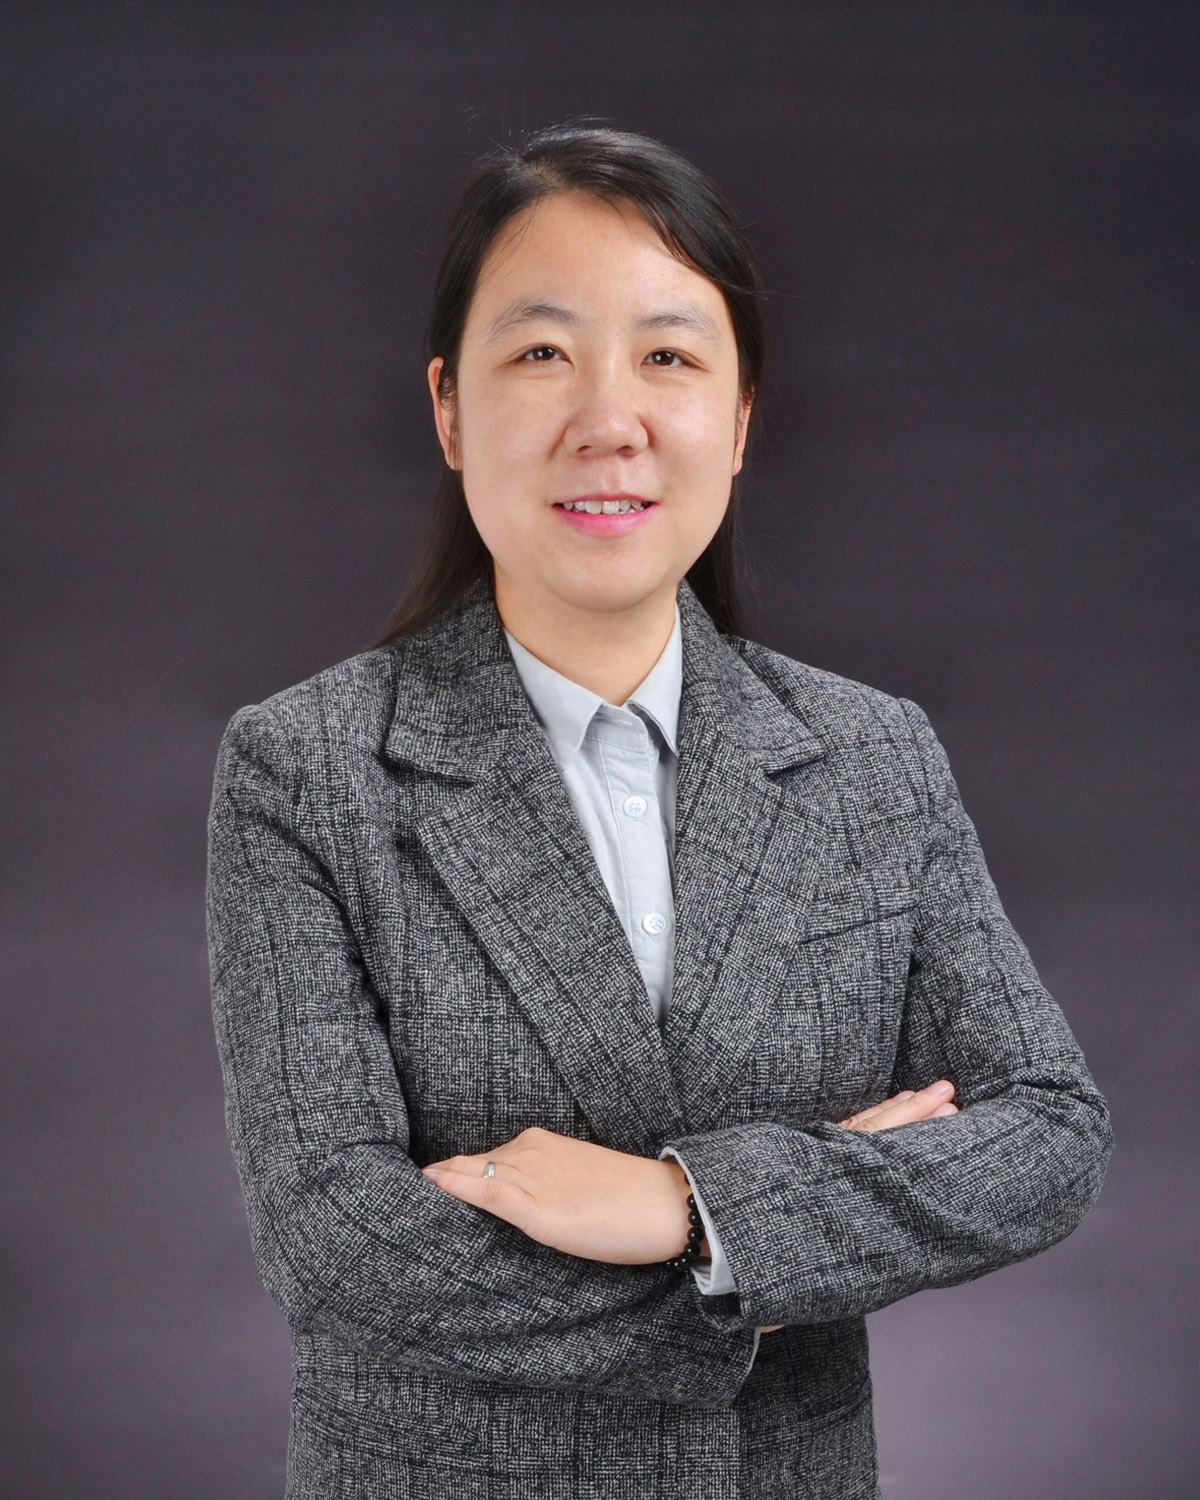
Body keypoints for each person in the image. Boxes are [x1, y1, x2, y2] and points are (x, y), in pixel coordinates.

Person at [206, 123, 1113, 1499]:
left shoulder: (871, 758)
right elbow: (337, 1247)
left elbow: (1047, 1133)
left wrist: (688, 1207)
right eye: (541, 352)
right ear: (449, 409)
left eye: (670, 357)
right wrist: (763, 1261)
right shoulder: (306, 770)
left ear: (739, 420)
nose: (607, 419)